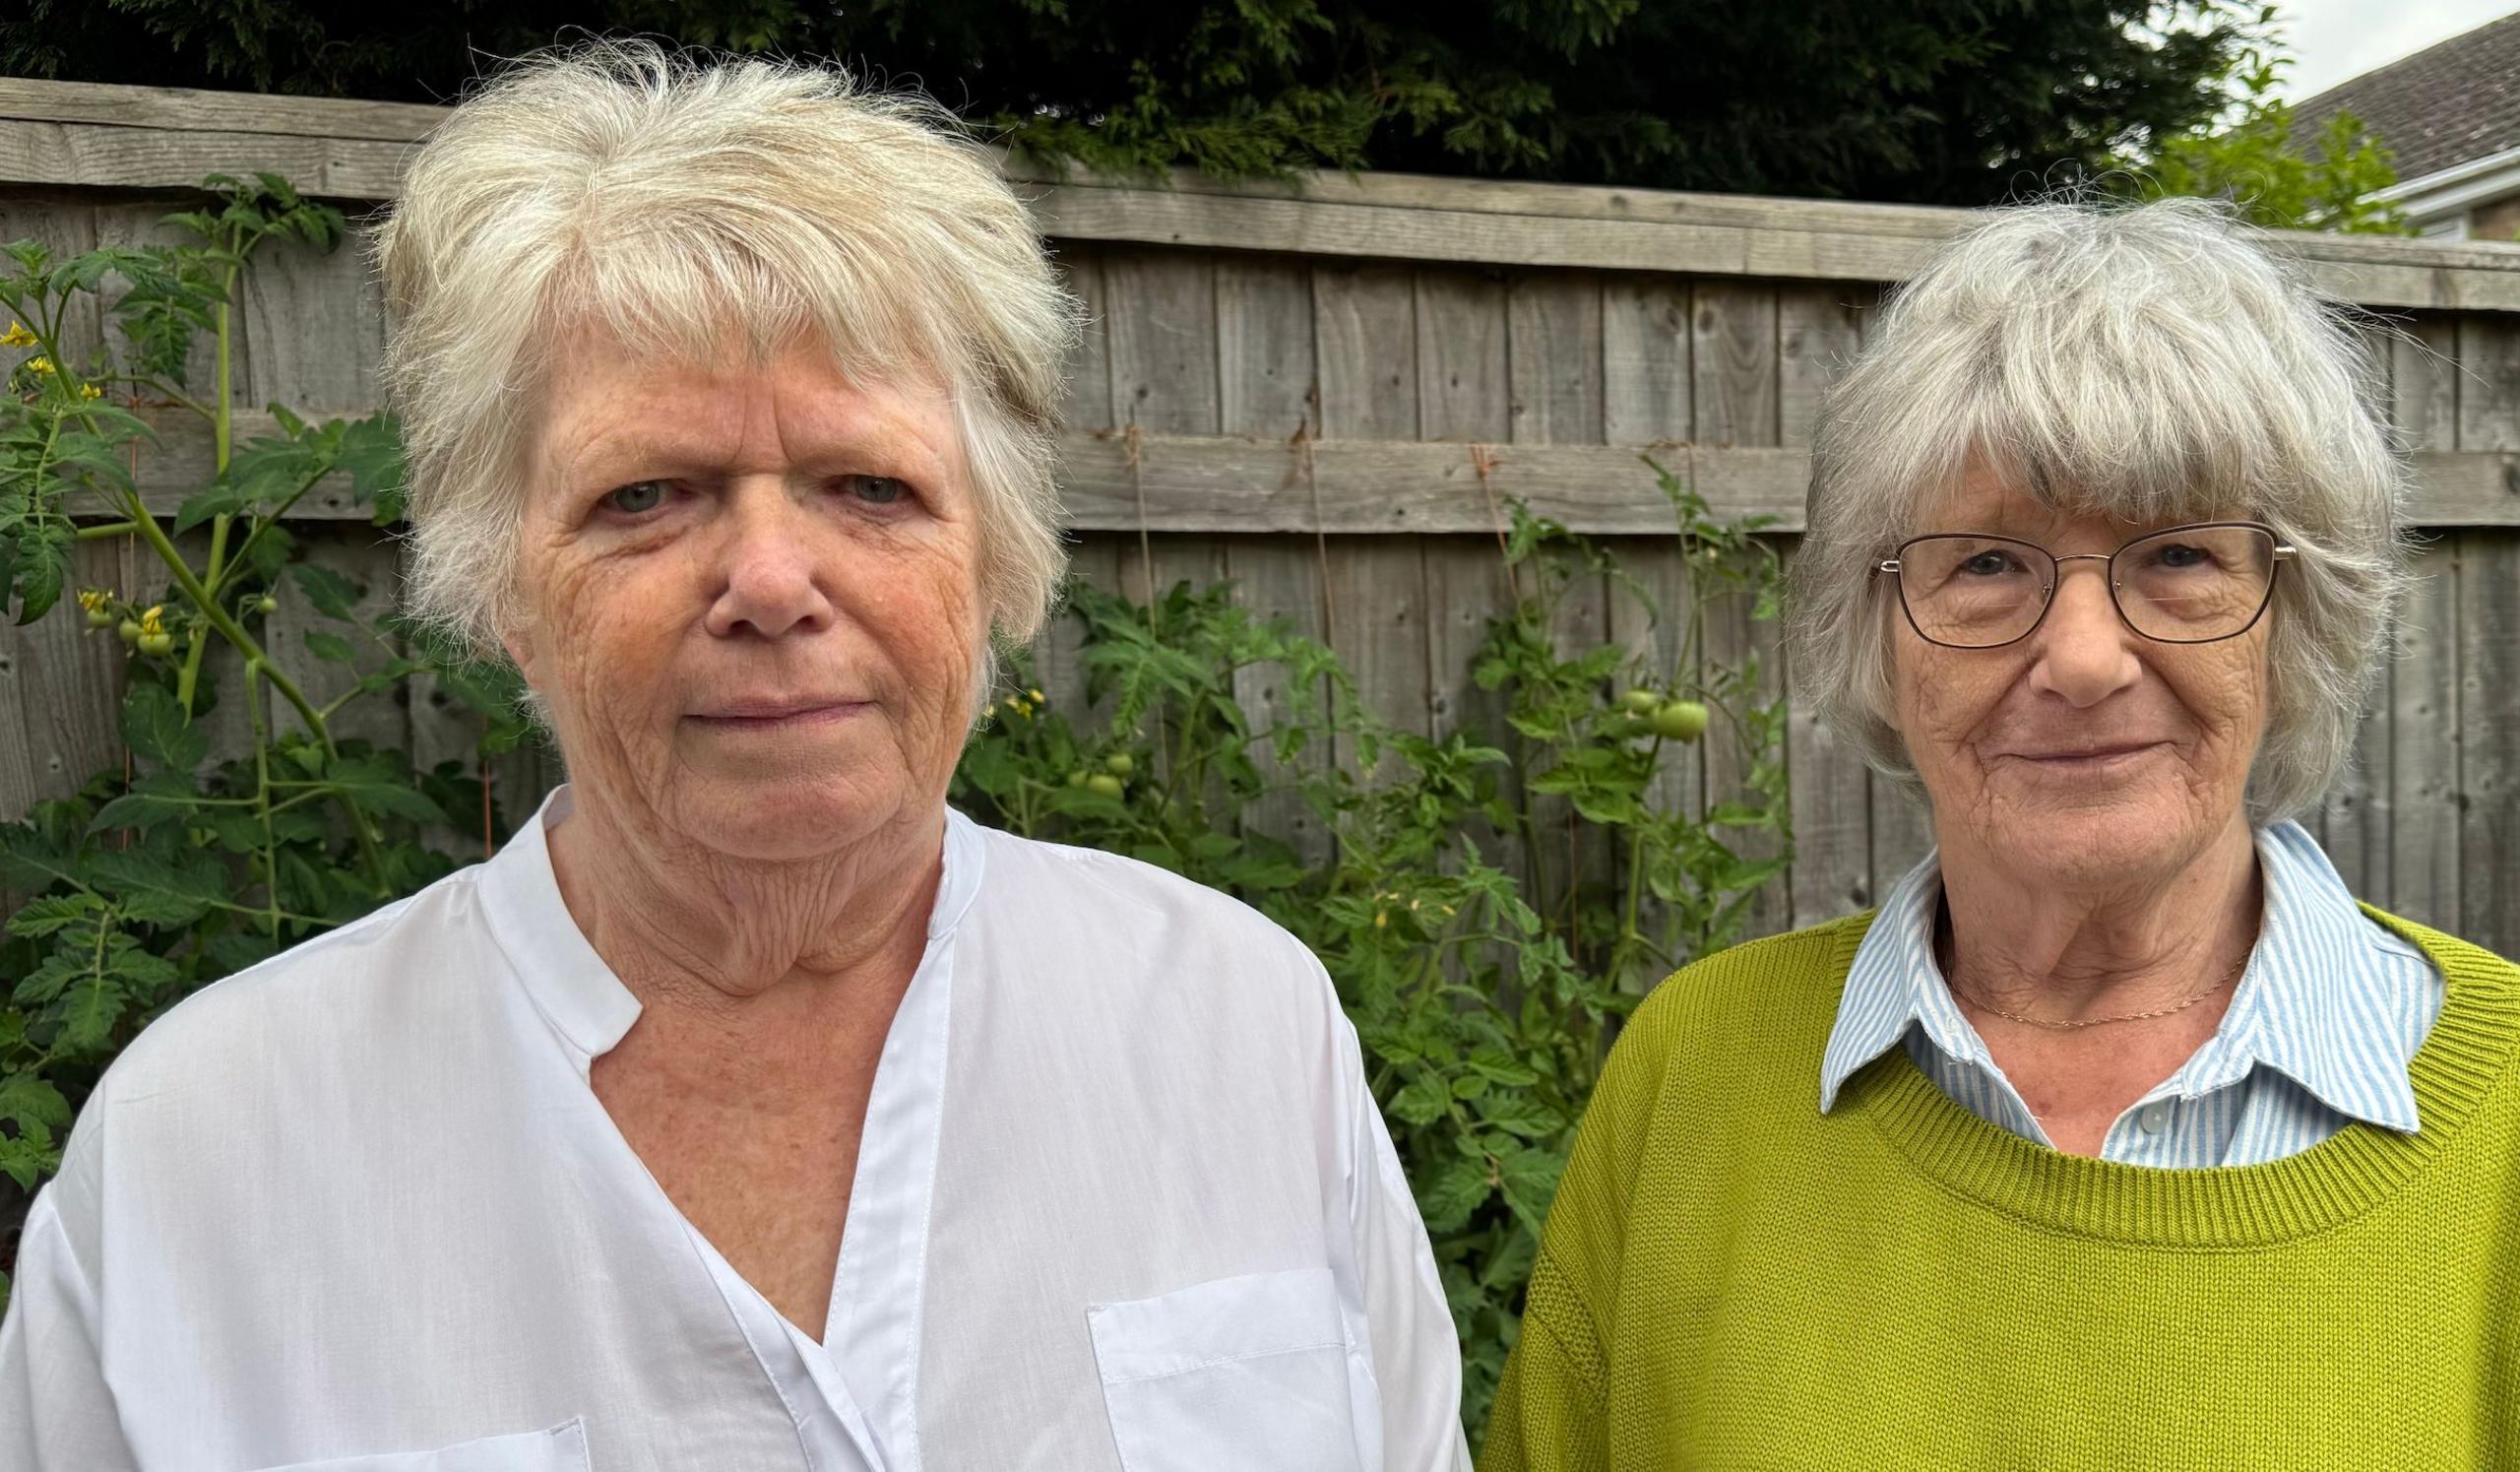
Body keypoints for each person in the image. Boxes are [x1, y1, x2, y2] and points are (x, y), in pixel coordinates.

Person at [0, 42, 1470, 1472]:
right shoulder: (202, 1162)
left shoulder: (1242, 1028)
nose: (770, 580)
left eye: (870, 485)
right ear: (503, 590)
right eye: (646, 494)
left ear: (1001, 561)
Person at [1480, 197, 2520, 1468]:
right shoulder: (1690, 1077)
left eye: (2177, 555)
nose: (2083, 659)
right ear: (1878, 635)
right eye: (1984, 565)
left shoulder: (2504, 1126)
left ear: (2293, 615)